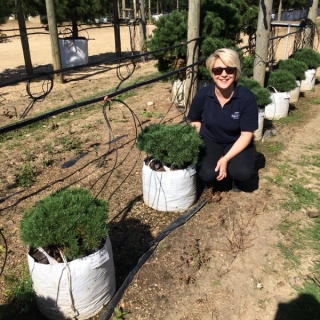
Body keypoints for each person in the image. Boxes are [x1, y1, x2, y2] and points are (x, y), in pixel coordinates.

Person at [187, 48, 258, 192]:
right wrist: (195, 143)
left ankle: (234, 177)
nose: (224, 74)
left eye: (229, 69)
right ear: (212, 73)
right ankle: (212, 172)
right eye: (218, 70)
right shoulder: (203, 95)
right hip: (211, 140)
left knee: (243, 172)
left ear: (236, 71)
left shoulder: (246, 97)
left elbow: (246, 135)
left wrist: (225, 159)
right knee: (207, 173)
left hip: (236, 141)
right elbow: (195, 120)